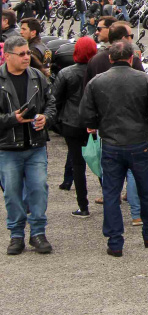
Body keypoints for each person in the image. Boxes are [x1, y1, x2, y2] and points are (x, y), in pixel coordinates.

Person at [80, 41, 148, 257]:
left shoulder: (96, 82)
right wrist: (146, 122)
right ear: (132, 58)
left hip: (111, 143)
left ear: (110, 59)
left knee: (111, 193)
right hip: (139, 142)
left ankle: (115, 241)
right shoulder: (145, 80)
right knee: (146, 190)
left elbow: (85, 114)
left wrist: (100, 123)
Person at [0, 36, 57, 255]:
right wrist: (12, 119)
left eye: (27, 53)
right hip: (8, 149)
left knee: (38, 190)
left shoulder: (37, 77)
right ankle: (16, 236)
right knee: (12, 194)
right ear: (8, 56)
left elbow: (51, 103)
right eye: (22, 54)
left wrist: (46, 118)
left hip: (35, 146)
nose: (27, 57)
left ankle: (38, 234)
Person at [51, 37, 97, 217]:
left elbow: (55, 98)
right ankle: (111, 198)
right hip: (94, 122)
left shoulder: (66, 73)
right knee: (102, 161)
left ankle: (83, 206)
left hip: (72, 122)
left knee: (78, 164)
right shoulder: (98, 72)